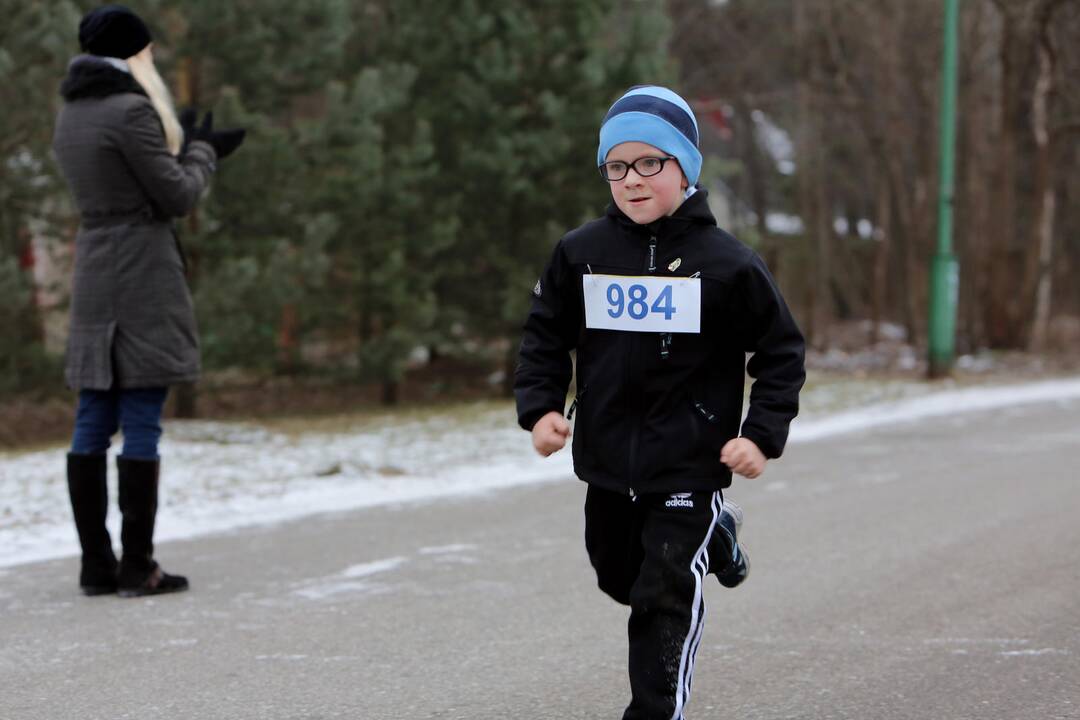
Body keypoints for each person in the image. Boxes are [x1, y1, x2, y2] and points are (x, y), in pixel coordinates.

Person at [514, 85, 805, 719]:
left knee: (662, 597)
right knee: (618, 575)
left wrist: (758, 435)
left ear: (685, 168)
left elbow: (781, 352)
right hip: (607, 459)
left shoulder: (727, 266)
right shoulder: (581, 253)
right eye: (617, 166)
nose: (632, 179)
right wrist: (539, 408)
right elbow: (544, 336)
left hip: (689, 463)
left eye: (652, 162)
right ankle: (719, 538)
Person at [53, 5, 245, 597]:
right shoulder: (133, 108)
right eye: (148, 49)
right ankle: (139, 567)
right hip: (141, 271)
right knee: (140, 417)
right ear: (133, 53)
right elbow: (178, 194)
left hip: (94, 270)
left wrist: (178, 143)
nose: (154, 57)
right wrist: (203, 151)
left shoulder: (71, 114)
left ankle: (96, 565)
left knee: (92, 417)